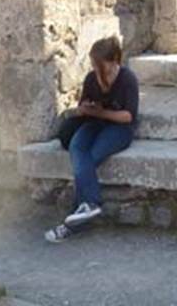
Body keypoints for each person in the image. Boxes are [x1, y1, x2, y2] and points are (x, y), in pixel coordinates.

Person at [45, 36, 139, 243]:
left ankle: (72, 222)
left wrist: (102, 113)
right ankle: (89, 206)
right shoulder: (91, 79)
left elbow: (128, 116)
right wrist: (84, 110)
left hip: (119, 129)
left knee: (90, 157)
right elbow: (82, 107)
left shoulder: (127, 79)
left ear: (114, 60)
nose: (97, 71)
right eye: (94, 66)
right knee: (77, 147)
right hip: (93, 123)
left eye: (101, 66)